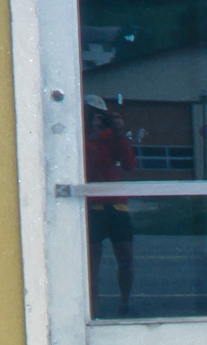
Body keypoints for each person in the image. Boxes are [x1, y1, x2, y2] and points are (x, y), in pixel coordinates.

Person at [84, 95, 138, 318]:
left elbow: (129, 164)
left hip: (116, 204)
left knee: (126, 258)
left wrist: (117, 133)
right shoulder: (81, 137)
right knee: (92, 263)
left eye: (101, 116)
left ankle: (125, 304)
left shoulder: (111, 137)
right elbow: (90, 162)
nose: (98, 120)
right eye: (93, 114)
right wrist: (94, 135)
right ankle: (93, 309)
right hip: (93, 204)